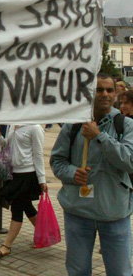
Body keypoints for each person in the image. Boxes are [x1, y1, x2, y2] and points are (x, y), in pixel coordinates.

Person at [50, 74, 133, 276]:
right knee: (78, 271)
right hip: (78, 212)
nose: (105, 94)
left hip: (114, 212)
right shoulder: (73, 125)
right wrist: (72, 173)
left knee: (120, 272)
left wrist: (99, 136)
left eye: (109, 90)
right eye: (99, 89)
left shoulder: (126, 125)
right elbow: (57, 161)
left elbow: (129, 161)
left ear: (115, 94)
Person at [0, 124, 46, 257]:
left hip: (28, 174)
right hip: (13, 174)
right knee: (27, 207)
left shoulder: (35, 128)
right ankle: (45, 235)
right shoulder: (12, 124)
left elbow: (38, 154)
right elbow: (7, 145)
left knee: (17, 208)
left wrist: (42, 179)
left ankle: (6, 245)